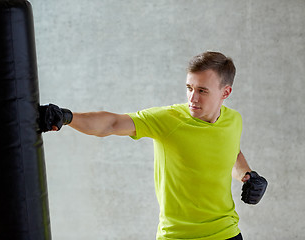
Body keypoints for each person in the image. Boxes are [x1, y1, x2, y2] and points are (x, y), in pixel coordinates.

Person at [39, 51, 268, 240]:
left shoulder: (234, 120)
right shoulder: (168, 120)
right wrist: (68, 118)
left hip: (226, 234)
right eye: (189, 88)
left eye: (202, 91)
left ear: (225, 92)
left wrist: (248, 175)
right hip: (178, 236)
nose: (192, 99)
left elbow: (232, 152)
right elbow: (112, 123)